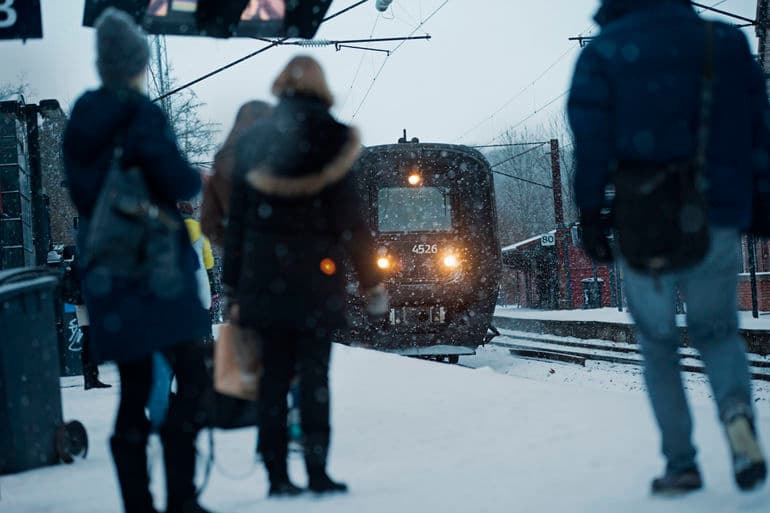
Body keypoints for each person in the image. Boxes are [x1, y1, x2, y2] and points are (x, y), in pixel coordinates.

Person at [569, 0, 768, 495]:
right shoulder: (722, 42)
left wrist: (591, 214)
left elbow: (591, 144)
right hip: (715, 214)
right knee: (717, 332)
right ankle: (737, 417)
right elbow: (759, 130)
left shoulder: (604, 53)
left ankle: (681, 464)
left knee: (658, 345)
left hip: (645, 221)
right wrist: (761, 200)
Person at [62, 8, 215, 513]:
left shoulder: (81, 117)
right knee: (191, 380)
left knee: (134, 389)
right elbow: (179, 181)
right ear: (135, 64)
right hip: (158, 273)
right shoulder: (140, 113)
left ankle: (138, 504)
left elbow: (83, 196)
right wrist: (190, 177)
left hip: (109, 273)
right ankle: (181, 499)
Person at [223, 55, 387, 497]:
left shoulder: (255, 141)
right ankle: (317, 470)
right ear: (322, 87)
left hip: (263, 279)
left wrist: (233, 285)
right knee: (315, 377)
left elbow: (237, 223)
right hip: (316, 280)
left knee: (273, 379)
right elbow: (351, 222)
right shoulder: (333, 140)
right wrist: (371, 280)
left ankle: (276, 475)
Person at [201, 100, 272, 248]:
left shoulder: (221, 168)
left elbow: (208, 225)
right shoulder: (285, 163)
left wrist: (236, 244)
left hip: (243, 256)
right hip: (286, 253)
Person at [62, 245, 111, 390]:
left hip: (83, 303)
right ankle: (91, 377)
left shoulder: (79, 260)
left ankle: (90, 377)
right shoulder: (86, 259)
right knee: (90, 340)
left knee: (89, 340)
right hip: (87, 304)